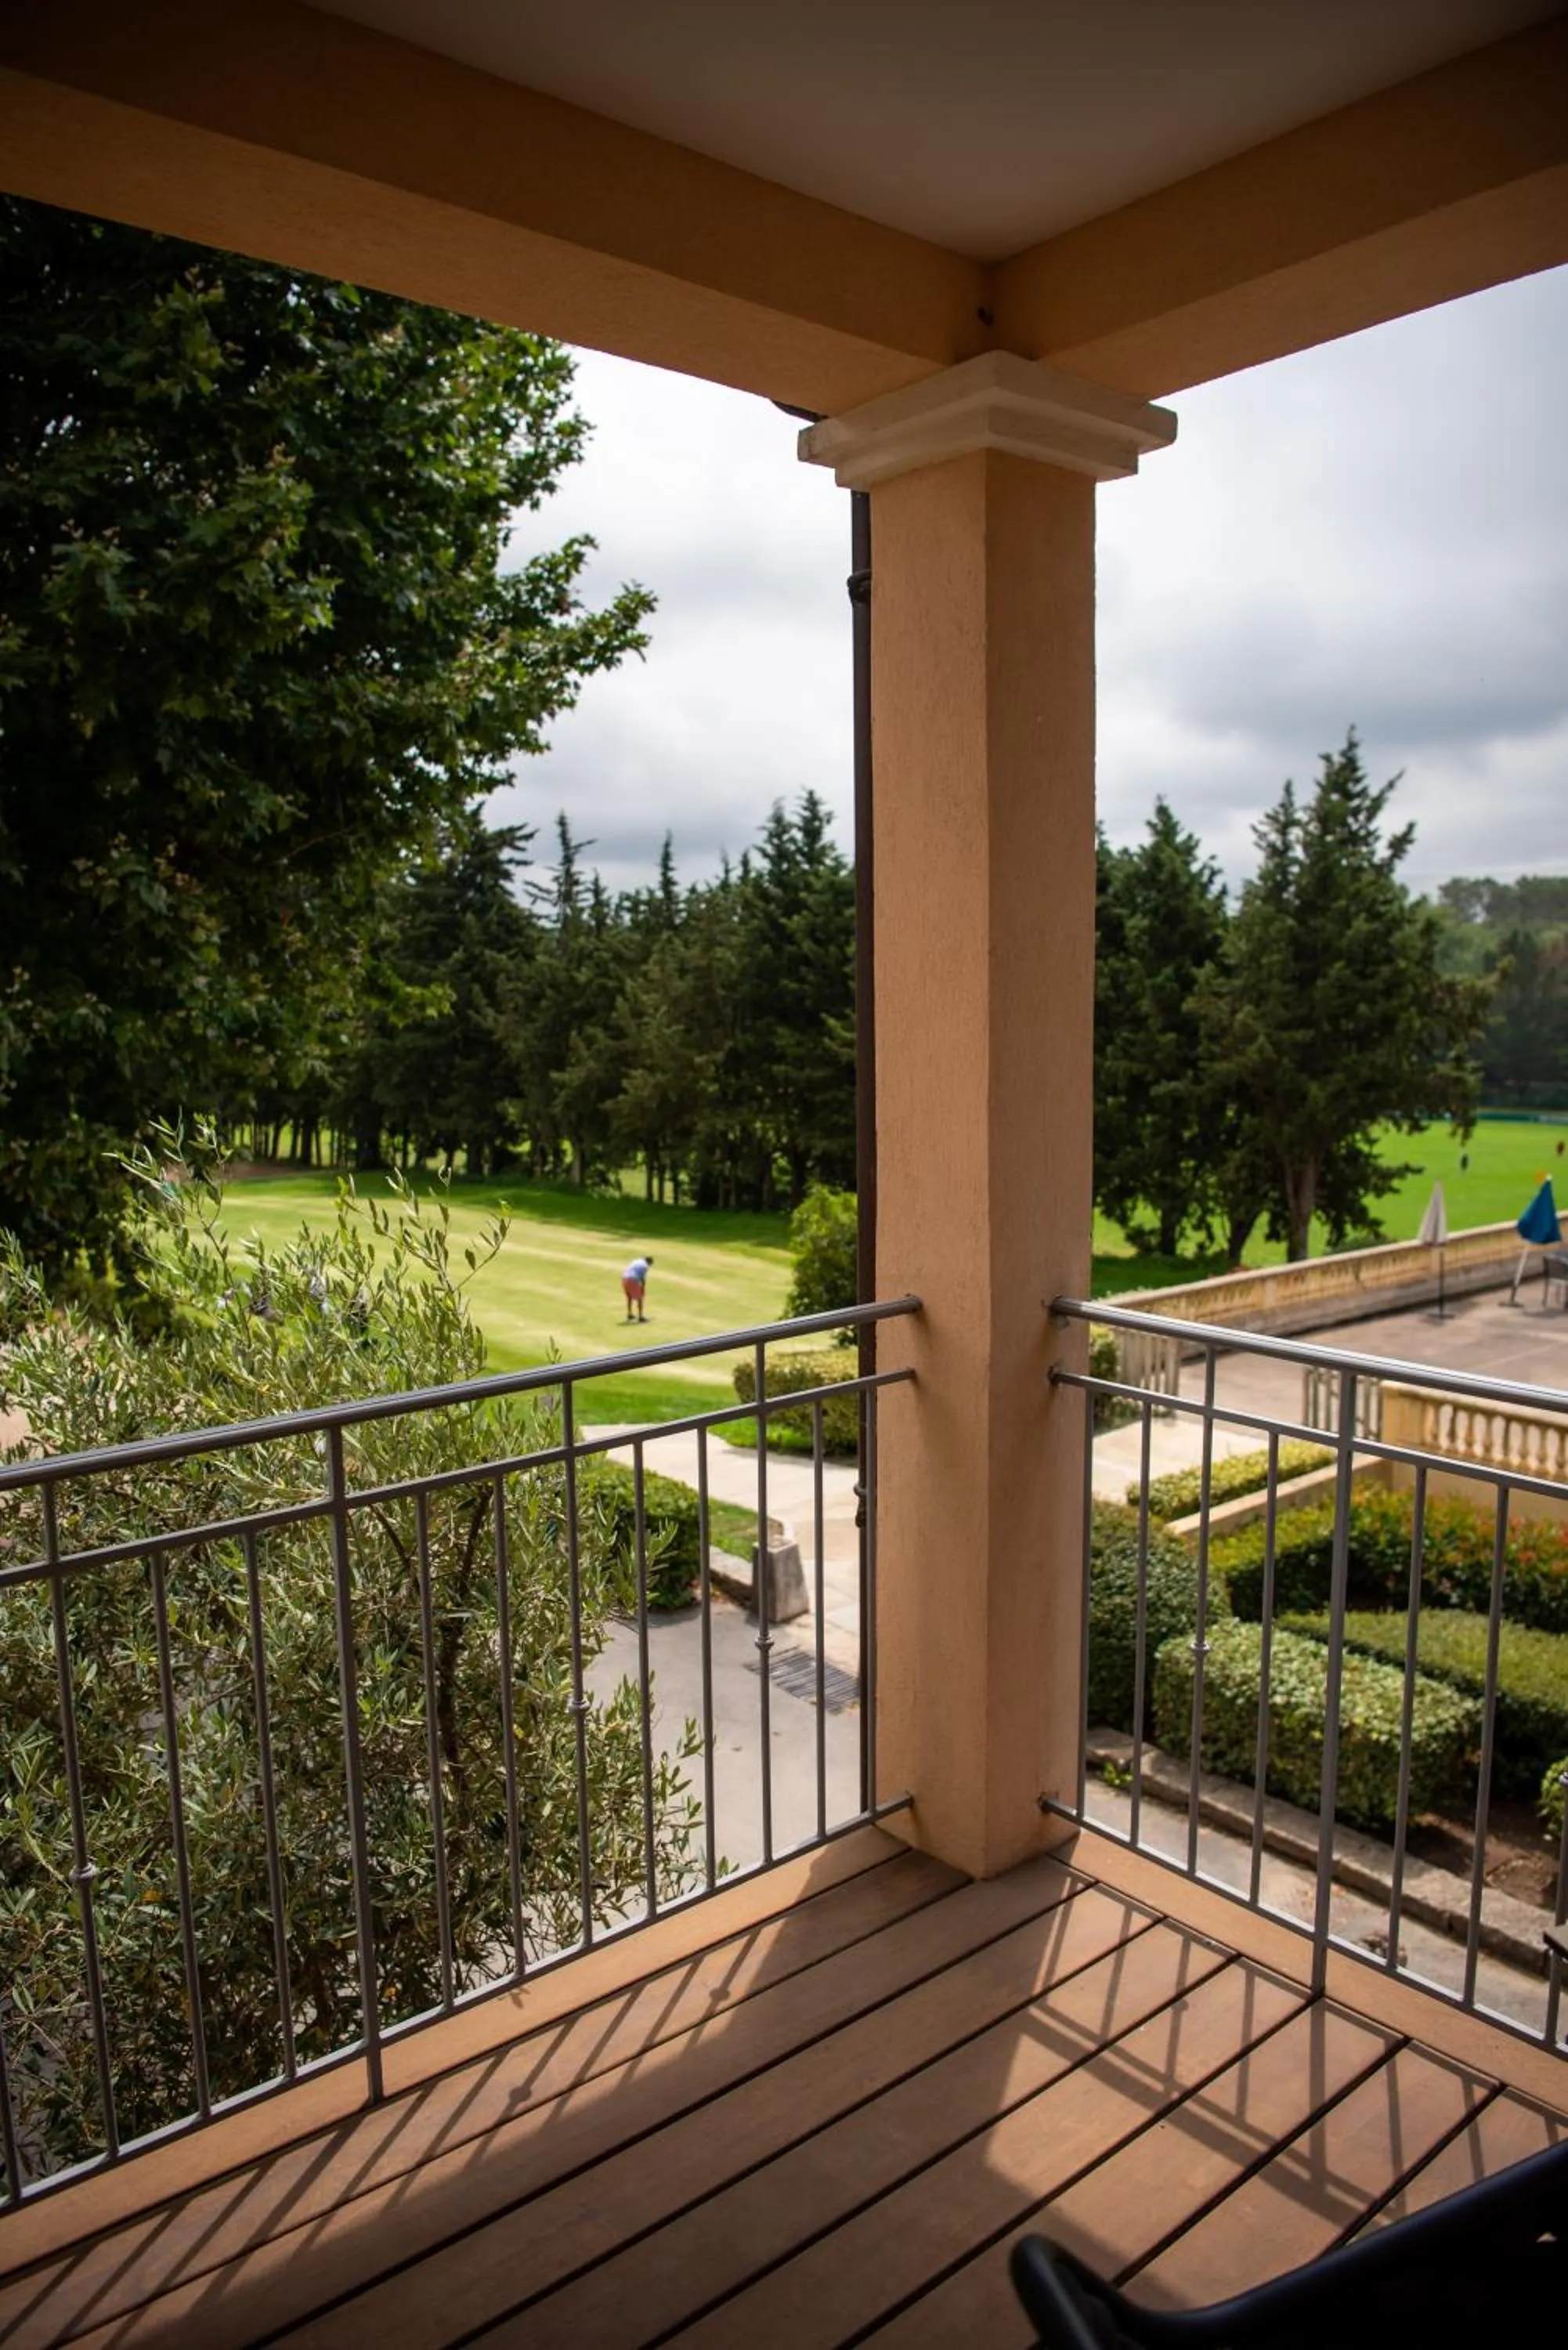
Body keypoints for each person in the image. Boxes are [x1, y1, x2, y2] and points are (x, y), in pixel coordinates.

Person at [621, 1253, 653, 1322]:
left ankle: (630, 1314)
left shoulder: (636, 1261)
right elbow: (642, 1279)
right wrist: (643, 1288)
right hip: (632, 1279)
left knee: (629, 1297)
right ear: (649, 1262)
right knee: (640, 1298)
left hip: (624, 1278)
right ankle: (641, 1317)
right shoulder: (645, 1266)